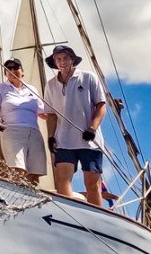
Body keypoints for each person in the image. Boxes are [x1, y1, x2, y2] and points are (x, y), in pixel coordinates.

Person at [40, 44, 113, 208]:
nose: (62, 62)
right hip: (64, 141)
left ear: (72, 59)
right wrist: (51, 137)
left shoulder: (88, 77)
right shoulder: (50, 85)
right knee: (62, 179)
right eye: (58, 59)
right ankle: (70, 213)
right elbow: (51, 114)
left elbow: (101, 105)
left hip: (89, 142)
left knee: (92, 183)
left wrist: (92, 128)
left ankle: (98, 217)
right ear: (54, 62)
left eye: (65, 58)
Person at [0, 58, 48, 184]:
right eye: (9, 69)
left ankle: (31, 201)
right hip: (12, 131)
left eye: (16, 68)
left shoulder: (32, 89)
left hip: (34, 132)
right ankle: (17, 199)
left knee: (34, 176)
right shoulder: (0, 88)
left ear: (23, 72)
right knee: (18, 171)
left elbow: (43, 113)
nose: (12, 71)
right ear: (5, 73)